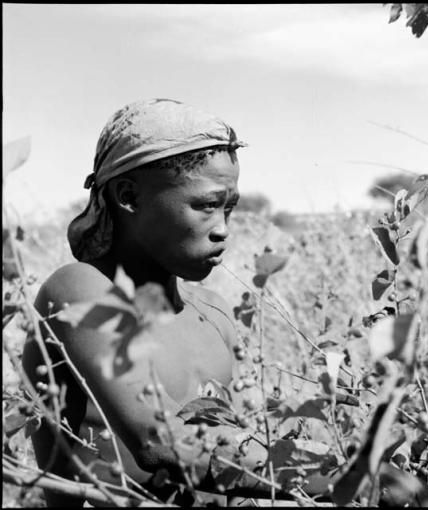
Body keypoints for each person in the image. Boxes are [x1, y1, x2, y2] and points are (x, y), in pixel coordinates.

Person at [22, 99, 333, 507]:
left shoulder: (213, 313)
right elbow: (161, 441)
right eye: (206, 205)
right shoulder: (79, 290)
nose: (223, 229)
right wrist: (348, 478)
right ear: (129, 197)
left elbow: (234, 456)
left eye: (229, 208)